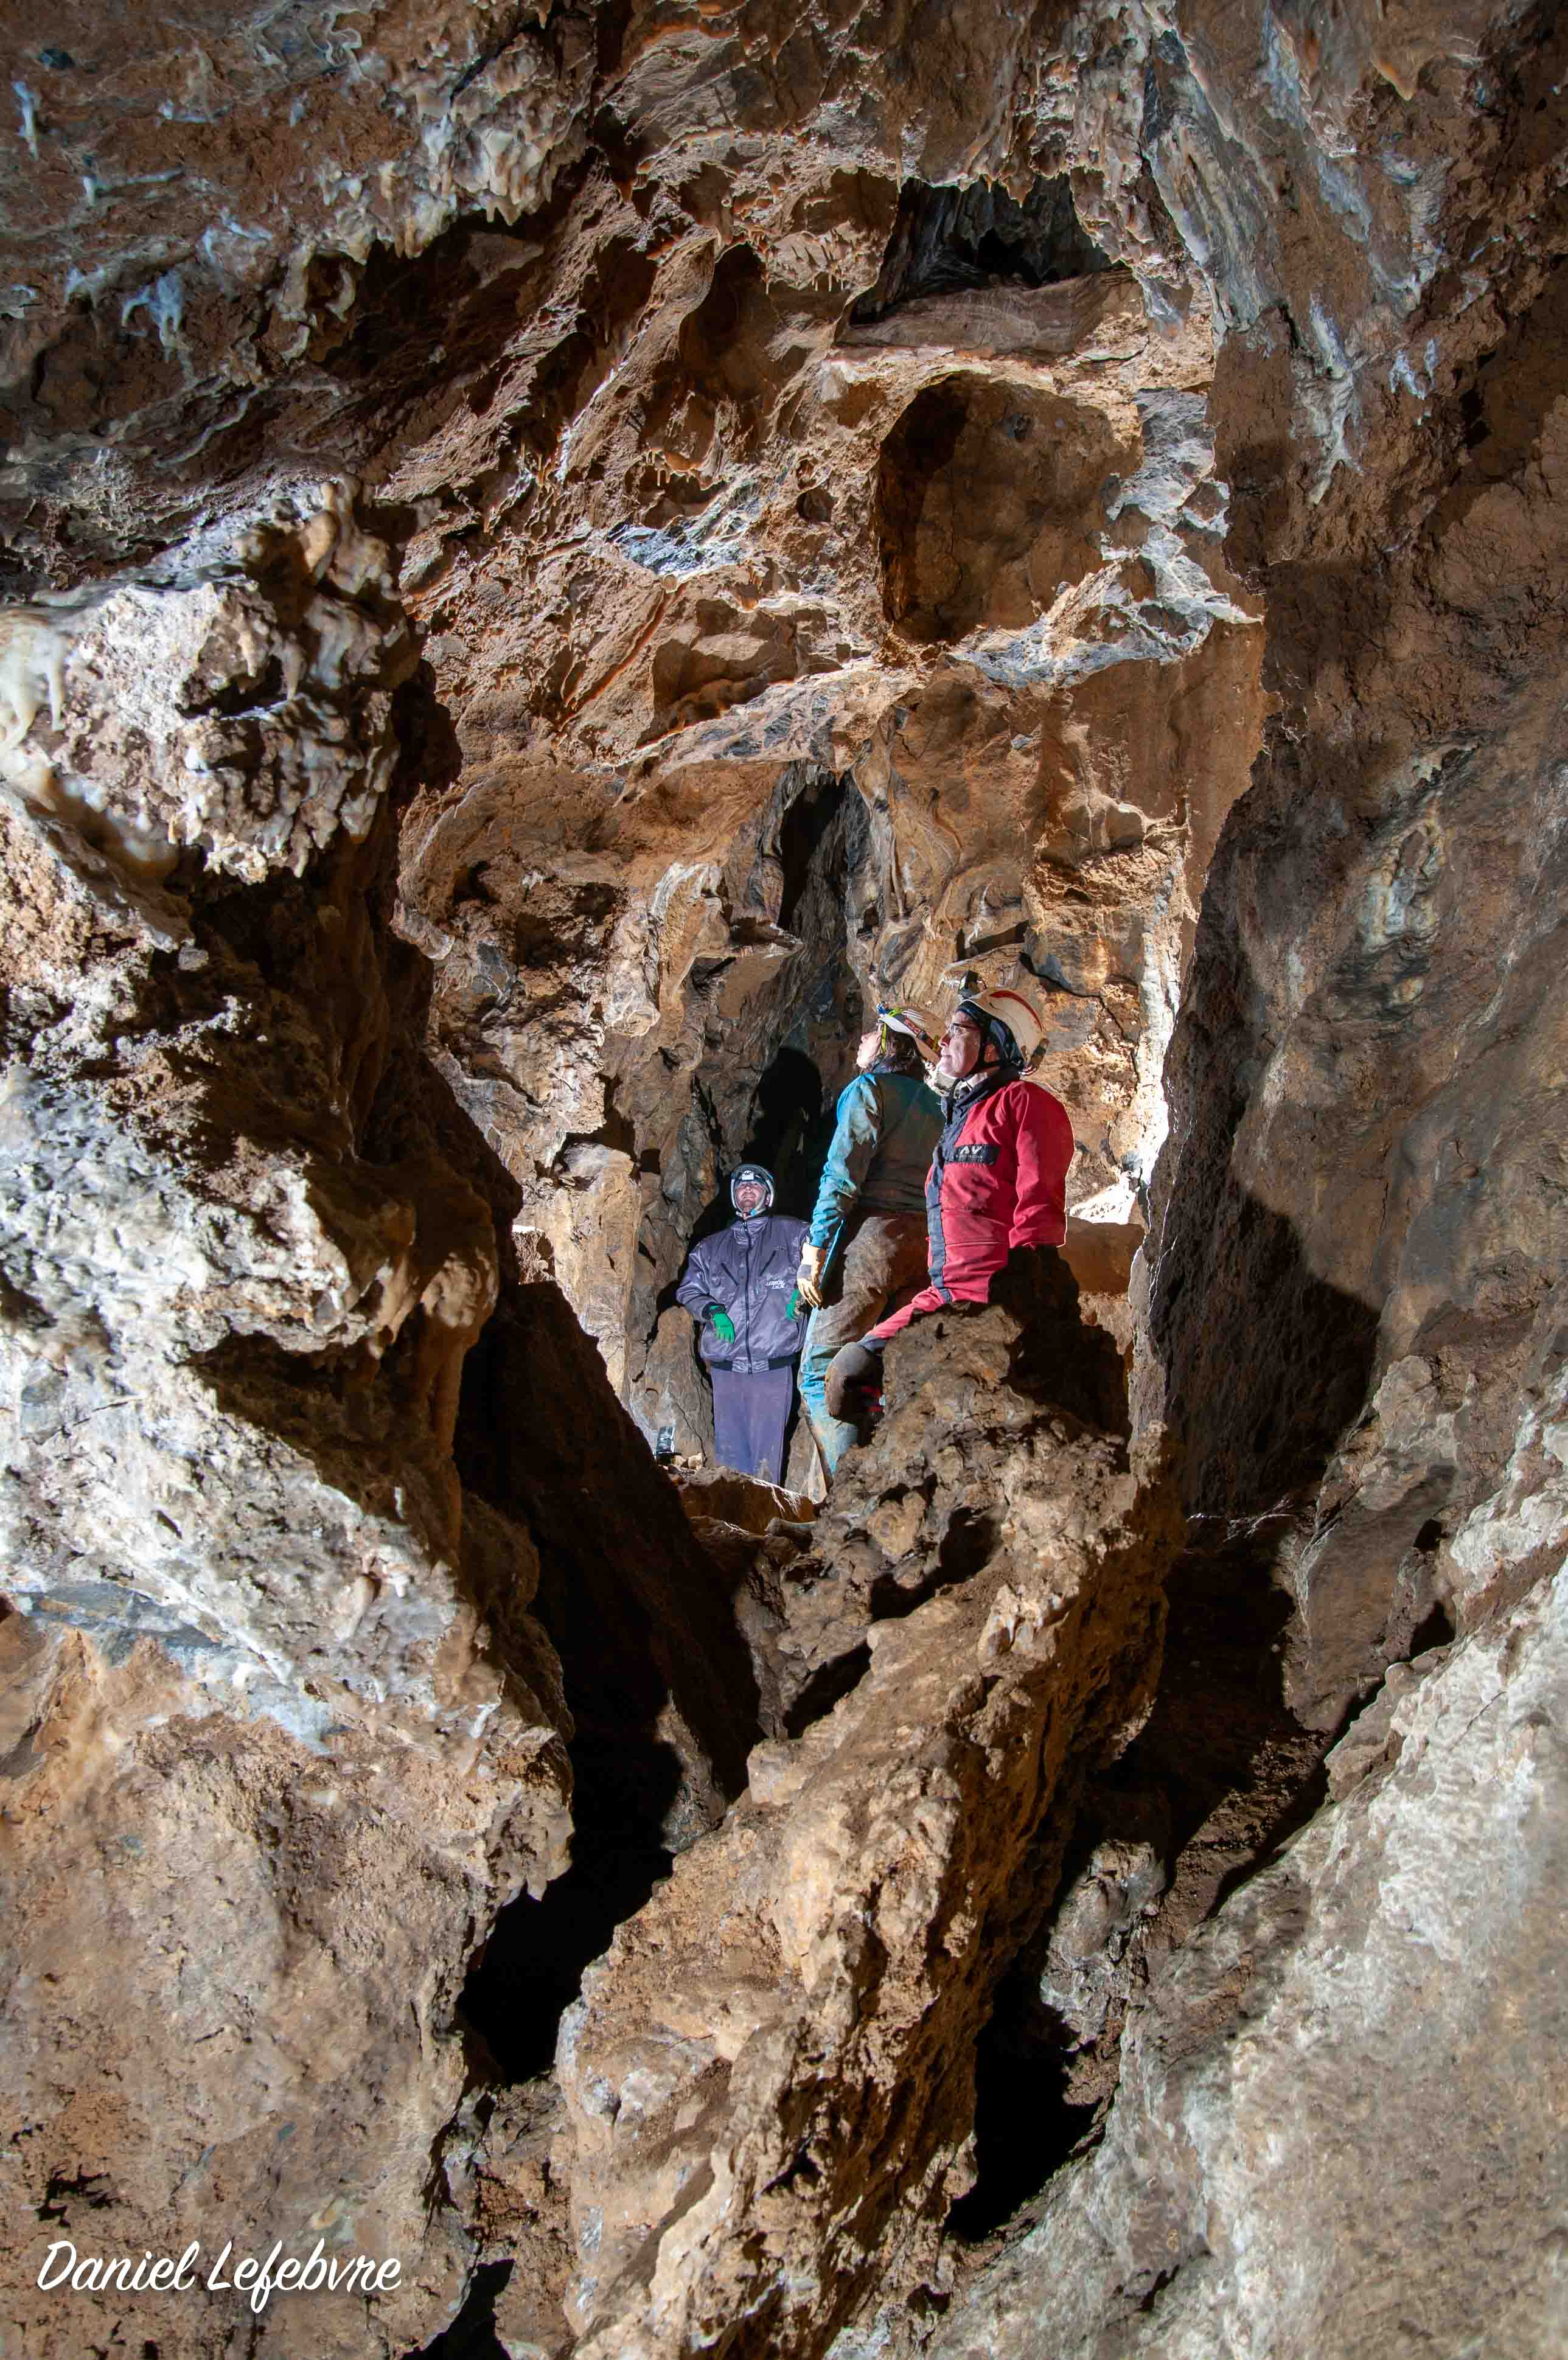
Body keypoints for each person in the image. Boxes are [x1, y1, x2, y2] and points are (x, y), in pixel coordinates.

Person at [823, 985, 1075, 1422]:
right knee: (848, 1375)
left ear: (993, 1046)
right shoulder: (957, 1121)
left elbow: (1038, 1214)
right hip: (943, 1292)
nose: (943, 1040)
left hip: (995, 1296)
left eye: (958, 1030)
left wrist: (1024, 1305)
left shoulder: (1026, 1104)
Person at [794, 1003, 943, 1472]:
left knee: (820, 1375)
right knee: (886, 1372)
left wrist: (815, 1249)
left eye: (872, 1032)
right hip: (923, 1247)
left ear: (891, 1040)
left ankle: (847, 1493)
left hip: (870, 1242)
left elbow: (842, 1177)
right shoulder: (940, 1106)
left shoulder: (870, 1089)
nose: (862, 1039)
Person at [675, 1164, 807, 1483]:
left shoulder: (793, 1234)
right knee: (731, 1455)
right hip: (726, 1368)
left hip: (772, 1366)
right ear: (734, 1197)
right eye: (741, 1187)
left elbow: (826, 1252)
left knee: (766, 1457)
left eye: (756, 1186)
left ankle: (765, 1511)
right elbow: (688, 1290)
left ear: (768, 1195)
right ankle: (734, 1510)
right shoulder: (711, 1248)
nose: (748, 1190)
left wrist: (803, 1290)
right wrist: (712, 1310)